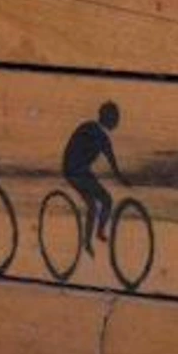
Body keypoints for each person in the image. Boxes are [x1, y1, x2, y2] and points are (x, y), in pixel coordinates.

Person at [62, 101, 127, 255]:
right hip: (76, 171)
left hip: (78, 171)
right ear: (107, 118)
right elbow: (110, 161)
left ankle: (90, 240)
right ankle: (97, 233)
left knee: (94, 204)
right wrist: (120, 178)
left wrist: (121, 178)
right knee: (104, 201)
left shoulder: (98, 134)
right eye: (115, 118)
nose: (117, 122)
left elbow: (111, 161)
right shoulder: (93, 131)